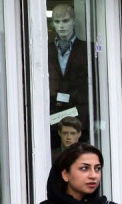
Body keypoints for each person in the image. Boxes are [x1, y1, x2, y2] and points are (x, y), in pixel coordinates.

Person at [48, 4, 90, 147]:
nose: (61, 26)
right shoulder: (45, 50)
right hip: (54, 119)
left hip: (80, 118)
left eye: (65, 21)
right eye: (57, 21)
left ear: (73, 21)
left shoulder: (87, 49)